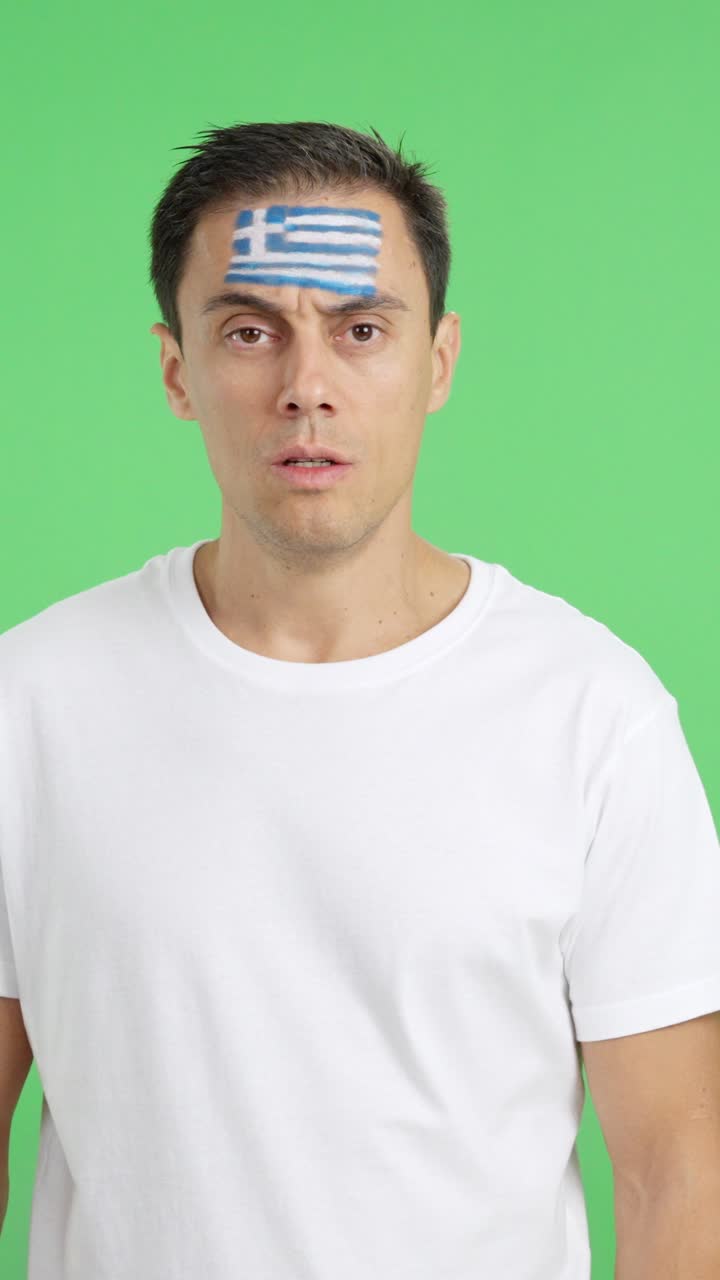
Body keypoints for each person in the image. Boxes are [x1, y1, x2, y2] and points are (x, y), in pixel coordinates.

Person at [1, 120, 719, 1280]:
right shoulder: (29, 705)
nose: (307, 387)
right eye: (250, 331)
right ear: (177, 366)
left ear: (437, 360)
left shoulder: (592, 713)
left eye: (361, 330)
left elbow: (680, 1174)